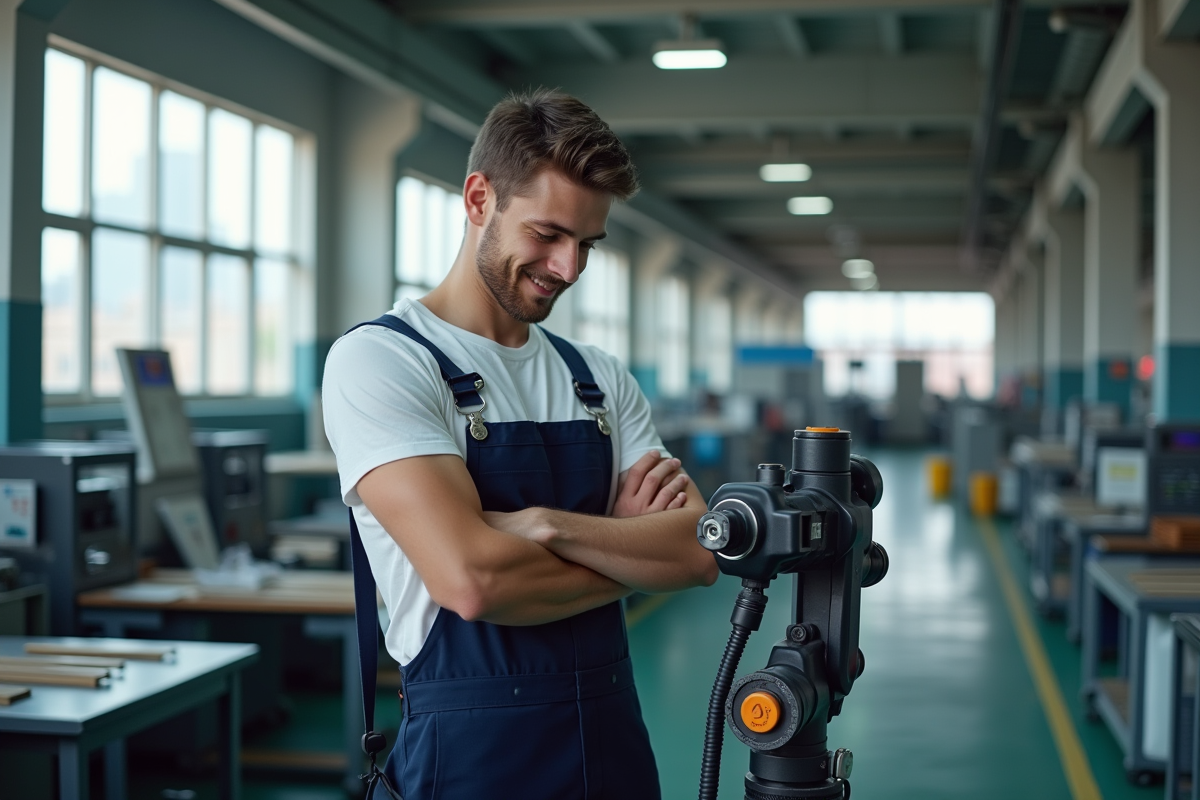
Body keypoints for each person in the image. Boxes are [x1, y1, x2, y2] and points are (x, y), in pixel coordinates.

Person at [323, 88, 718, 800]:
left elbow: (695, 551)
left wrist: (545, 526)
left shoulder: (598, 377)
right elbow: (474, 583)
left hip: (614, 753)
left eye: (587, 245)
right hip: (471, 761)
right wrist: (629, 547)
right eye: (547, 235)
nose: (568, 268)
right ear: (479, 199)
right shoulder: (384, 362)